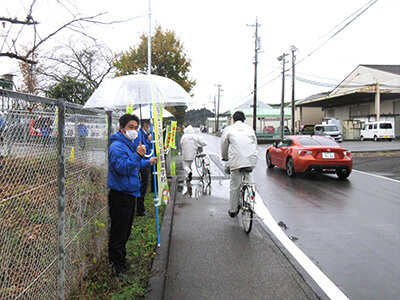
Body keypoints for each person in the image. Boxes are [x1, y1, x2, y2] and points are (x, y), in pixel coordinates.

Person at [107, 114, 157, 276]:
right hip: (120, 196)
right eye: (130, 127)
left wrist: (148, 161)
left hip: (129, 194)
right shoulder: (117, 147)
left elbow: (134, 164)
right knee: (119, 233)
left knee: (125, 231)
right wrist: (138, 155)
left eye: (136, 128)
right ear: (122, 128)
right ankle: (116, 267)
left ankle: (122, 260)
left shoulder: (129, 144)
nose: (134, 131)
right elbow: (122, 167)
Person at [220, 111, 258, 218]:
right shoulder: (249, 129)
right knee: (249, 179)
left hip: (236, 161)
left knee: (234, 186)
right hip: (251, 159)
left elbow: (224, 145)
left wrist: (225, 157)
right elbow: (255, 144)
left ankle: (233, 210)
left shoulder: (228, 129)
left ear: (233, 120)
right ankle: (251, 195)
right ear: (244, 120)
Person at [136, 119, 153, 217]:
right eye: (150, 125)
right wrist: (148, 141)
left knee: (144, 186)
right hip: (143, 162)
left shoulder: (146, 134)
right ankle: (140, 210)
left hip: (147, 162)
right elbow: (142, 148)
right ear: (145, 125)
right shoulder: (140, 134)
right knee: (142, 186)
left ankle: (141, 208)